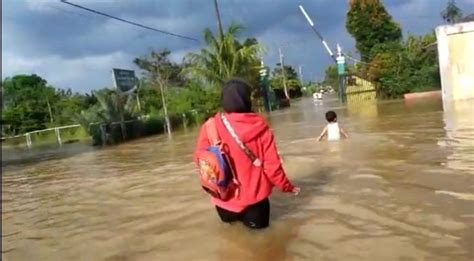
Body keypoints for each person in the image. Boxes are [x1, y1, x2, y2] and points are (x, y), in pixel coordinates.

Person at [194, 78, 300, 229]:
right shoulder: (259, 126)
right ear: (246, 99)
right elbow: (272, 167)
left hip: (223, 202)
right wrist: (287, 187)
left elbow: (200, 160)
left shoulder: (210, 126)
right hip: (255, 203)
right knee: (263, 245)